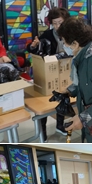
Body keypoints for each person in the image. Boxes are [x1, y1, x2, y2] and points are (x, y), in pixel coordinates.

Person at [28, 7, 71, 138]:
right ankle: (43, 132)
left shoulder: (71, 34)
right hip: (49, 72)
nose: (57, 26)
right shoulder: (47, 35)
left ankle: (60, 125)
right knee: (45, 102)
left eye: (60, 23)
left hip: (64, 71)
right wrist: (33, 46)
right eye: (54, 23)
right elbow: (35, 51)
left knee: (63, 98)